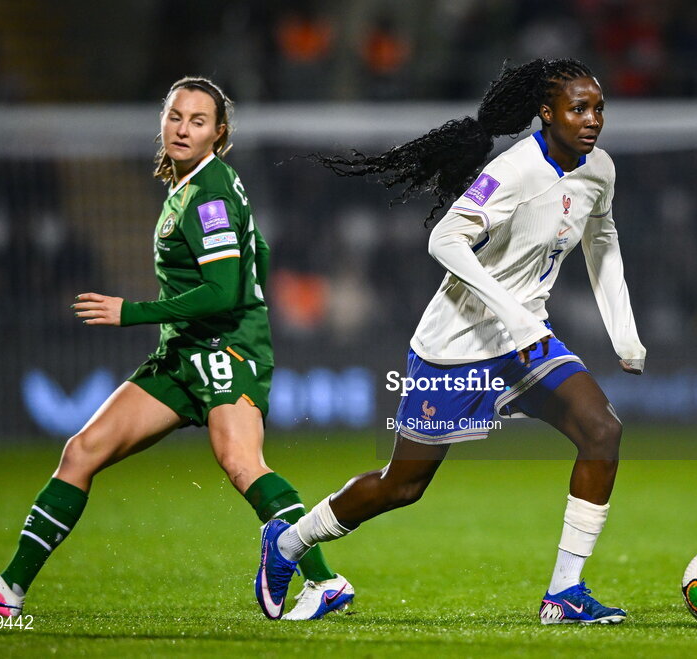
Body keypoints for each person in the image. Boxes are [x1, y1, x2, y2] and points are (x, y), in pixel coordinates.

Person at [0, 76, 353, 622]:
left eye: (198, 121)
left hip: (223, 352)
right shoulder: (192, 186)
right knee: (81, 452)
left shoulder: (206, 194)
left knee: (242, 464)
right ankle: (9, 590)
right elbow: (261, 251)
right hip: (182, 355)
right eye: (176, 116)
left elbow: (225, 288)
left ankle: (324, 581)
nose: (183, 128)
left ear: (218, 134)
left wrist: (132, 312)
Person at [255, 58, 646, 625]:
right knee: (403, 486)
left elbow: (602, 239)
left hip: (526, 341)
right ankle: (288, 543)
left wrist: (624, 331)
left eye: (598, 108)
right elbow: (445, 239)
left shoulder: (598, 170)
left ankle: (564, 593)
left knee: (602, 430)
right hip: (456, 345)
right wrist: (510, 310)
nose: (592, 120)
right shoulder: (513, 171)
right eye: (578, 108)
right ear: (546, 113)